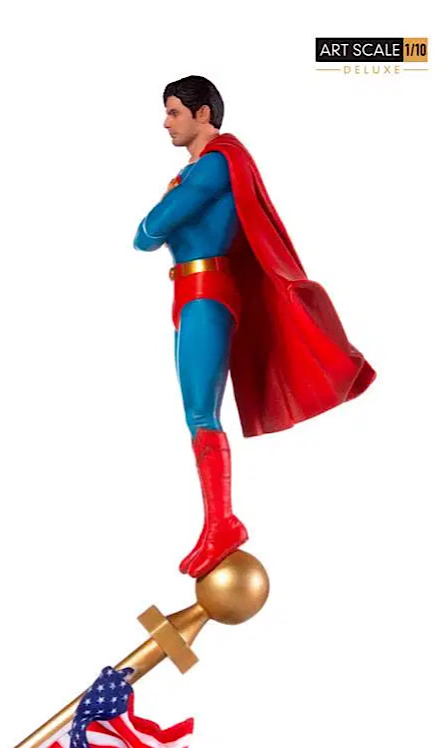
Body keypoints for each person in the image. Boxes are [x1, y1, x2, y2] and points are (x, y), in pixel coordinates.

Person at [134, 75, 375, 579]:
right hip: (191, 292)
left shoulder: (217, 162)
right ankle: (217, 522)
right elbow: (149, 234)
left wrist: (161, 220)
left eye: (174, 112)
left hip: (206, 291)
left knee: (201, 413)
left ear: (203, 114)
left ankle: (221, 523)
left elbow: (150, 229)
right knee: (195, 413)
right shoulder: (200, 168)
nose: (166, 122)